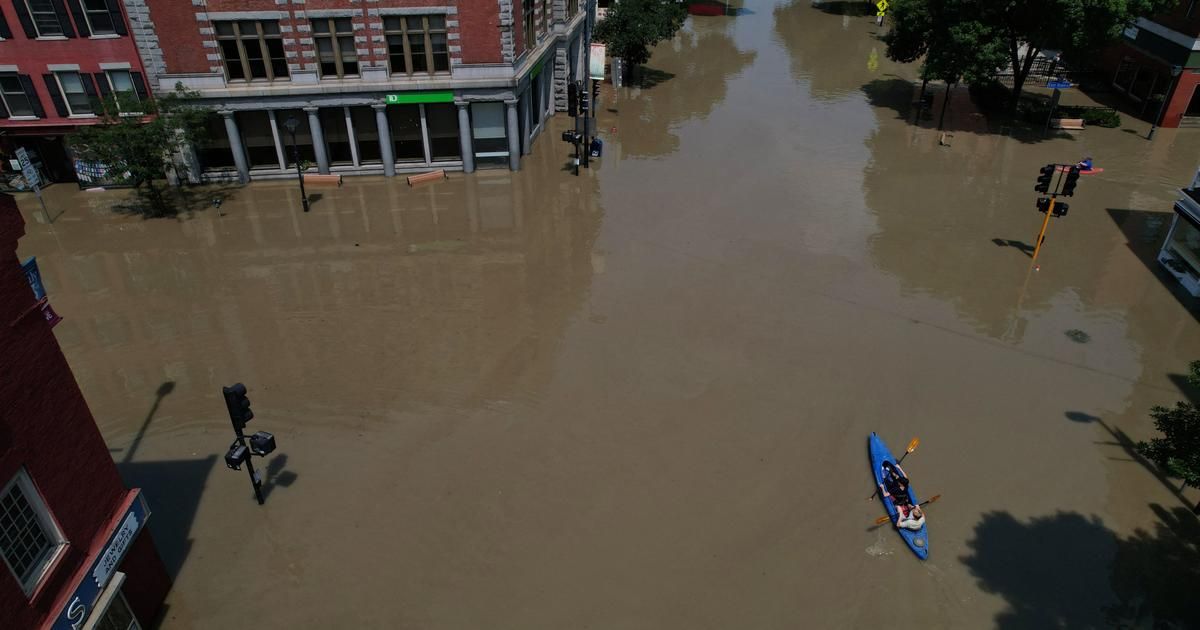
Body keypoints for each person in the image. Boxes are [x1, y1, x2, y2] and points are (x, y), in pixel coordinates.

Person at [879, 460, 926, 530]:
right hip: (904, 500)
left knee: (898, 507)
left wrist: (882, 487)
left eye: (915, 512)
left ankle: (884, 476)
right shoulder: (921, 519)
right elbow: (906, 477)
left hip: (899, 503)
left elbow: (885, 495)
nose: (915, 511)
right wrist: (918, 508)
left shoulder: (895, 489)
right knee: (911, 506)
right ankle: (889, 472)